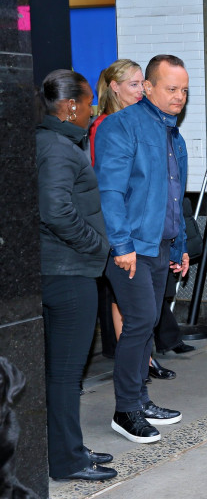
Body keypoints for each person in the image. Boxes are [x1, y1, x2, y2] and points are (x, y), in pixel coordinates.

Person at [94, 54, 189, 443]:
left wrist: (180, 244)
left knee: (146, 323)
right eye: (171, 88)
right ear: (147, 87)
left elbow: (173, 197)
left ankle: (140, 399)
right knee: (138, 323)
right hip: (131, 248)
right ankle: (126, 410)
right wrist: (121, 245)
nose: (179, 96)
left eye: (184, 89)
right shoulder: (120, 126)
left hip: (161, 246)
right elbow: (110, 192)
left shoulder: (172, 133)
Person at [36, 69, 116, 480]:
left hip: (58, 271)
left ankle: (68, 447)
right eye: (88, 104)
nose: (92, 110)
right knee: (66, 376)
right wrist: (97, 246)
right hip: (68, 275)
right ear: (69, 107)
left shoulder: (52, 142)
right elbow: (55, 212)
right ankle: (67, 461)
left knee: (59, 374)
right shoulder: (58, 148)